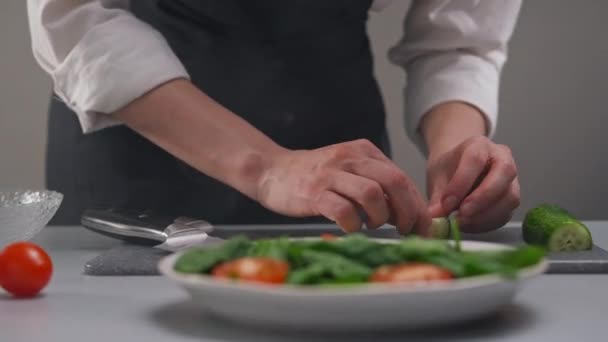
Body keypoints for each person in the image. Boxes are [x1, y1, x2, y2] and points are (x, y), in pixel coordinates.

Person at [26, 0, 522, 236]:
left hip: (337, 144)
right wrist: (265, 167)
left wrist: (456, 148)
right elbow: (77, 19)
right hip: (143, 142)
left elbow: (459, 38)